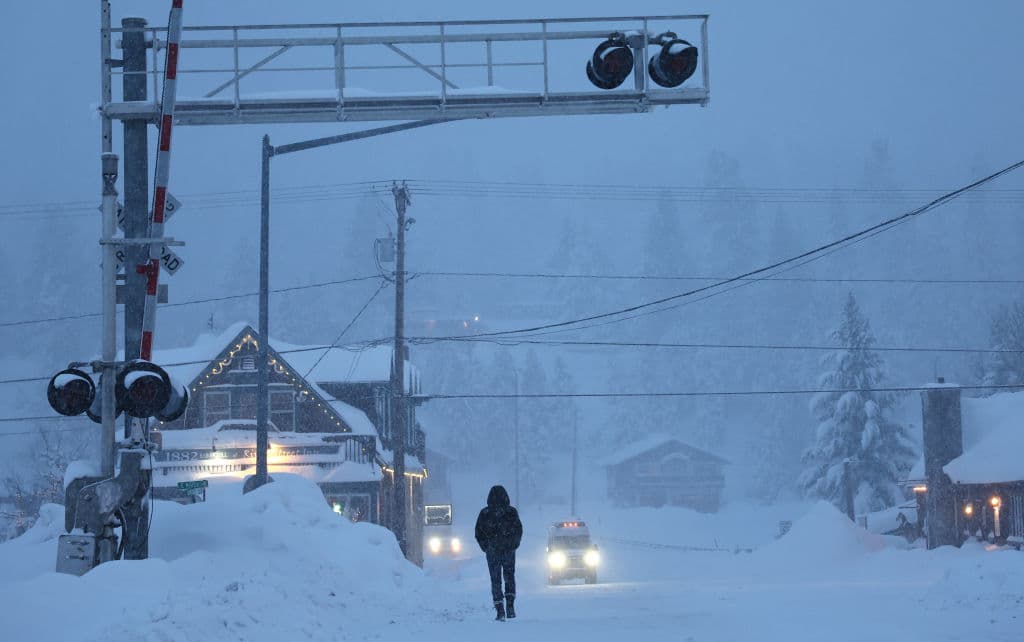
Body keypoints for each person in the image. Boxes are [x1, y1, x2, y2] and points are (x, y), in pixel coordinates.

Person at [474, 484, 523, 621]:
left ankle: (500, 609)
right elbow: (518, 530)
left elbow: (478, 532)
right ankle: (510, 605)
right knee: (509, 577)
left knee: (495, 580)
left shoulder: (485, 513)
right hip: (508, 551)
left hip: (493, 552)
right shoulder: (511, 512)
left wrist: (486, 547)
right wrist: (513, 544)